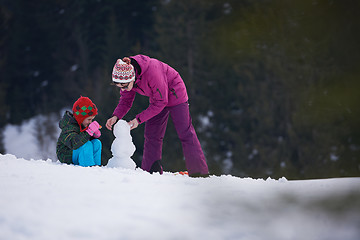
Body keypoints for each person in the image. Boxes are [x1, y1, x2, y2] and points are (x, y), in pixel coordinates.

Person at [106, 55, 209, 177]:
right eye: (120, 87)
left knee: (185, 133)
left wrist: (138, 119)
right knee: (151, 134)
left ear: (132, 77)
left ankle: (199, 172)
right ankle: (151, 171)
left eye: (124, 86)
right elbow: (125, 101)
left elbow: (162, 101)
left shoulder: (152, 72)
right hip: (157, 99)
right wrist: (116, 116)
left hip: (176, 95)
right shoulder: (127, 79)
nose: (123, 89)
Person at [56, 96, 102, 167]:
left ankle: (96, 167)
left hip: (77, 151)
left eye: (92, 119)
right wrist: (89, 132)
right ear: (81, 118)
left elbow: (85, 139)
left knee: (96, 143)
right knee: (87, 144)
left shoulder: (83, 125)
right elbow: (74, 143)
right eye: (89, 119)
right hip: (66, 154)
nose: (90, 122)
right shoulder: (69, 127)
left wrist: (94, 135)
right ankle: (88, 168)